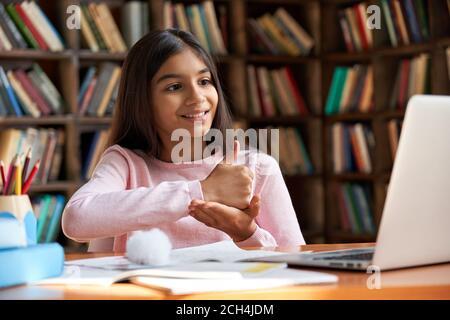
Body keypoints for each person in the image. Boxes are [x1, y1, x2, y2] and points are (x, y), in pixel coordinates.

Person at [62, 29, 305, 252]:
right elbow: (76, 220)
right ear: (142, 101)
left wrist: (245, 233)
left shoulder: (257, 168)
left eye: (204, 81)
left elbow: (297, 267)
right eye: (175, 86)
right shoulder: (125, 164)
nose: (197, 97)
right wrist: (203, 191)